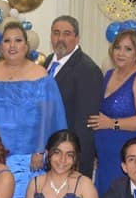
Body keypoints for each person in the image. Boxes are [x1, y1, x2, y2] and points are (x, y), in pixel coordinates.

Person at [0, 21, 68, 198]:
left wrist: (43, 150)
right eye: (7, 40)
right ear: (0, 46)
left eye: (18, 40)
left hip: (29, 160)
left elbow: (52, 117)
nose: (12, 46)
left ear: (26, 45)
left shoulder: (41, 75)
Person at [88, 29, 136, 198]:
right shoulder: (108, 75)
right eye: (118, 47)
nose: (121, 53)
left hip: (127, 157)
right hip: (105, 156)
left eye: (128, 49)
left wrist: (112, 123)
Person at [44, 15, 104, 177]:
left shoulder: (88, 70)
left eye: (67, 33)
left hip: (69, 158)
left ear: (77, 38)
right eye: (56, 33)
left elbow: (86, 124)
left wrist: (76, 160)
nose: (60, 38)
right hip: (47, 151)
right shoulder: (48, 62)